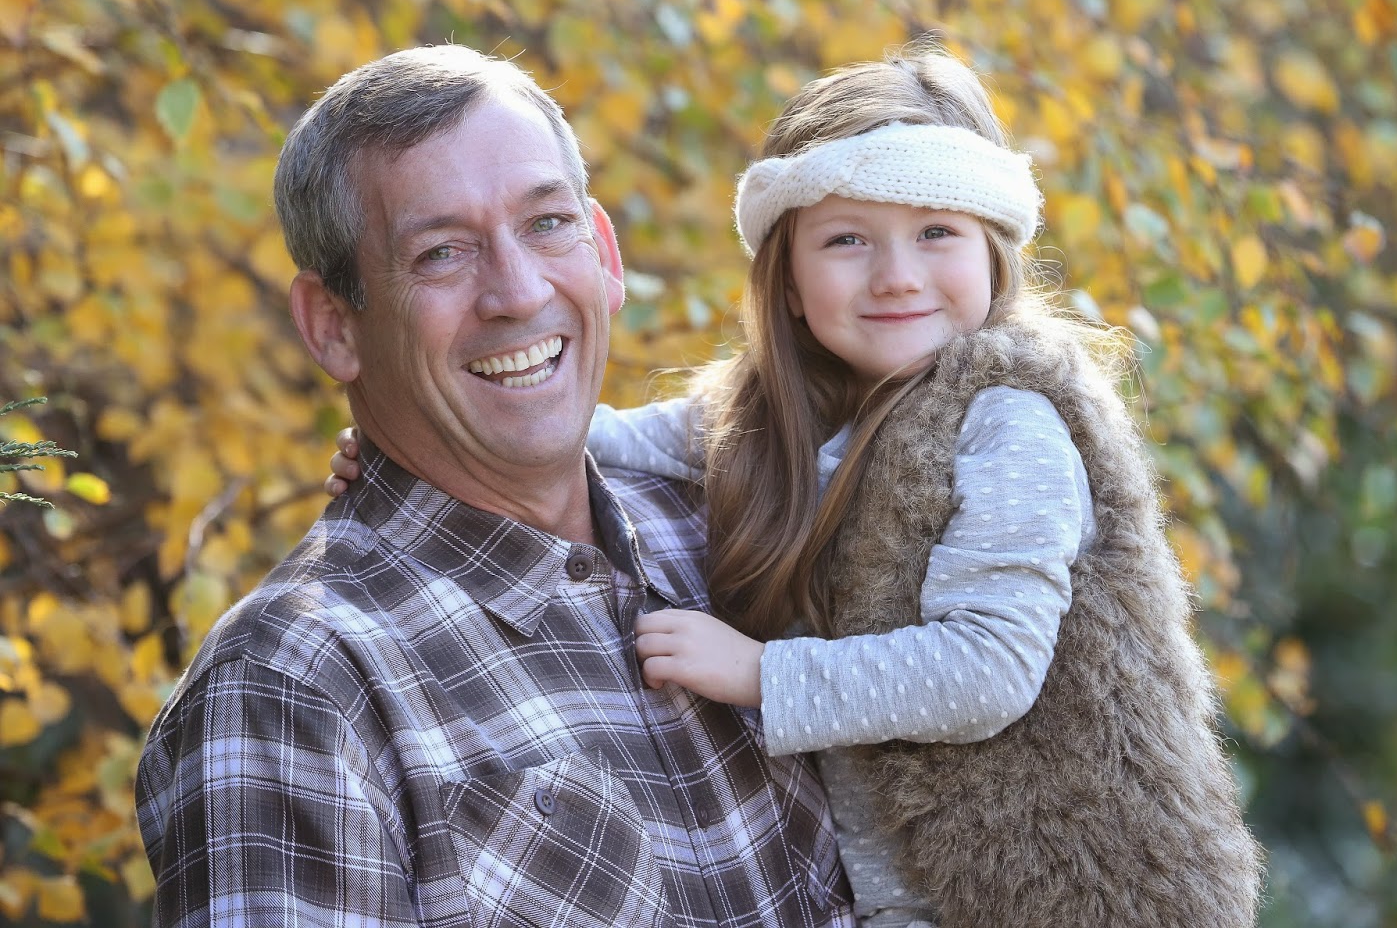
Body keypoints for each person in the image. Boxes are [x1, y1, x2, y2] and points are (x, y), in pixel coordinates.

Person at [328, 47, 1265, 927]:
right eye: (847, 239)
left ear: (995, 253)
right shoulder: (784, 417)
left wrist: (759, 674)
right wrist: (417, 449)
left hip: (1050, 885)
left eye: (937, 232)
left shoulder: (1009, 421)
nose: (896, 277)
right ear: (787, 282)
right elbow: (601, 439)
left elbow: (989, 669)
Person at [135, 45, 853, 928]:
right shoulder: (296, 686)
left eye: (546, 224)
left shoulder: (743, 530)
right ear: (333, 326)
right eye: (441, 253)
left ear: (603, 252)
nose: (516, 291)